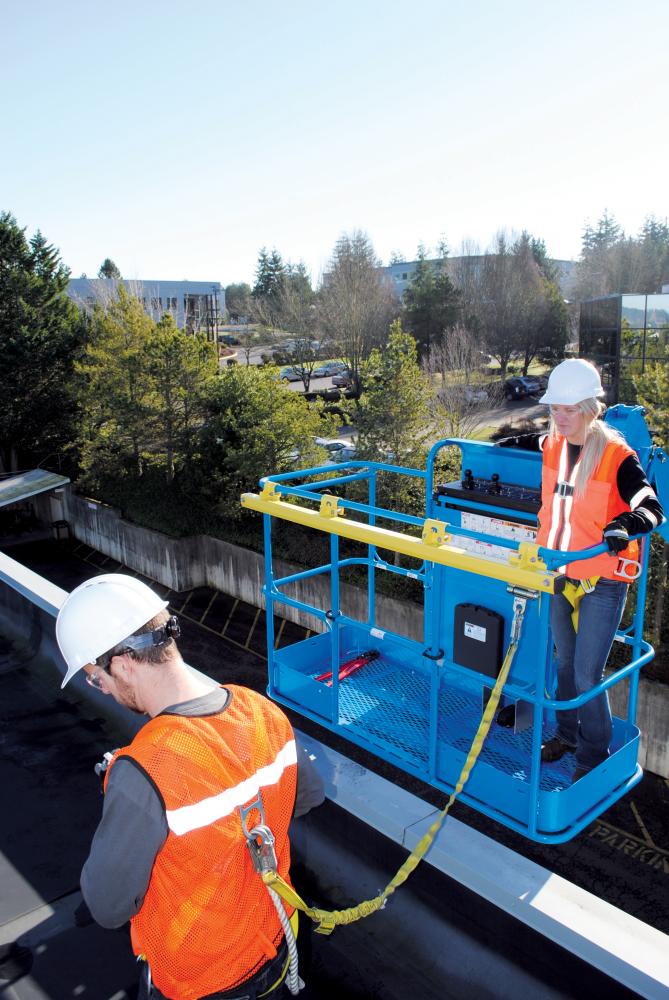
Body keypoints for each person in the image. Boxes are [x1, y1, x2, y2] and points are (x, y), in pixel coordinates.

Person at [55, 573, 324, 1000]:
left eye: (94, 677)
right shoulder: (262, 711)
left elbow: (108, 905)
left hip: (202, 981)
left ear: (123, 665)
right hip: (275, 949)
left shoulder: (143, 770)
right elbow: (306, 796)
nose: (100, 688)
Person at [498, 359, 663, 781]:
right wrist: (501, 439)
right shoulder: (553, 443)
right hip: (558, 573)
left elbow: (651, 507)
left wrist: (626, 524)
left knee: (587, 675)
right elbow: (532, 442)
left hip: (602, 580)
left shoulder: (617, 457)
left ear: (591, 408)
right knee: (564, 664)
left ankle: (592, 758)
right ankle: (566, 737)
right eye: (555, 408)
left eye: (569, 409)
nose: (560, 417)